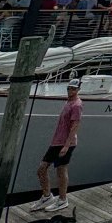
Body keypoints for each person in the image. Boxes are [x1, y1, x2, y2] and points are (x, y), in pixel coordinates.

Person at [28, 79, 82, 212]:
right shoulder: (68, 102)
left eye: (73, 89)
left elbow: (75, 126)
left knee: (61, 171)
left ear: (78, 90)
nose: (70, 90)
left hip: (65, 143)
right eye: (69, 88)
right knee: (41, 168)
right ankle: (47, 196)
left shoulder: (77, 105)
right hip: (56, 141)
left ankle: (63, 199)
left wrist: (66, 146)